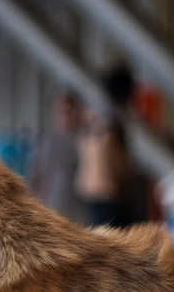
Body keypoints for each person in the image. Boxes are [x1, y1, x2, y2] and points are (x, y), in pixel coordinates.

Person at [76, 64, 148, 228]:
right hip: (109, 192)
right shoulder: (115, 120)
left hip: (88, 189)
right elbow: (115, 159)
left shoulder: (94, 114)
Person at [29, 90, 81, 220]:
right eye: (61, 111)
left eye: (69, 111)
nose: (65, 116)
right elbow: (37, 173)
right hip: (53, 205)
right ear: (54, 112)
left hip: (80, 208)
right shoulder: (46, 141)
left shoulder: (84, 140)